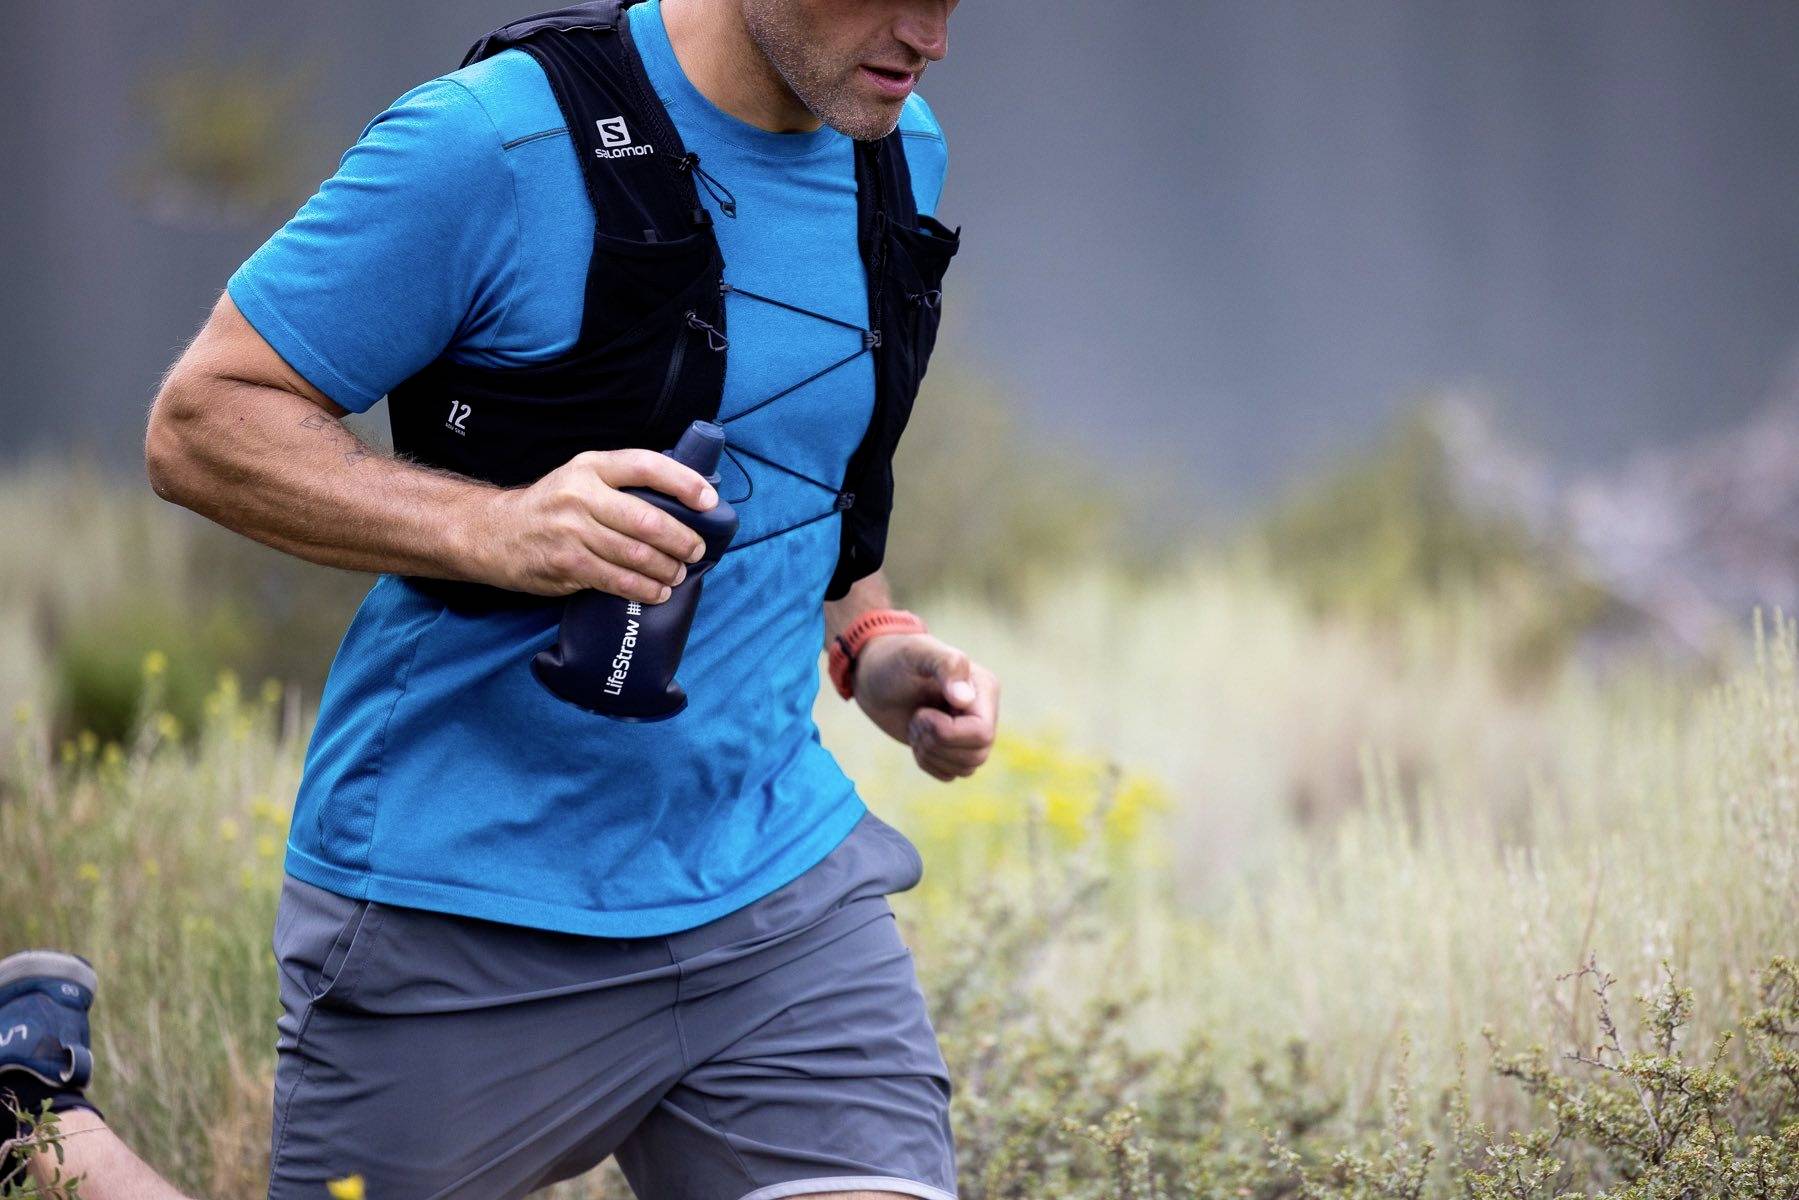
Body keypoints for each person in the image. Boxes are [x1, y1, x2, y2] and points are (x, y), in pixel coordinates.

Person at [137, 0, 994, 1195]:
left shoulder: (892, 144)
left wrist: (874, 642)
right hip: (465, 905)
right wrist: (499, 526)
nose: (928, 35)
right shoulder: (490, 143)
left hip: (773, 890)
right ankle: (41, 1107)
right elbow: (199, 423)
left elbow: (804, 472)